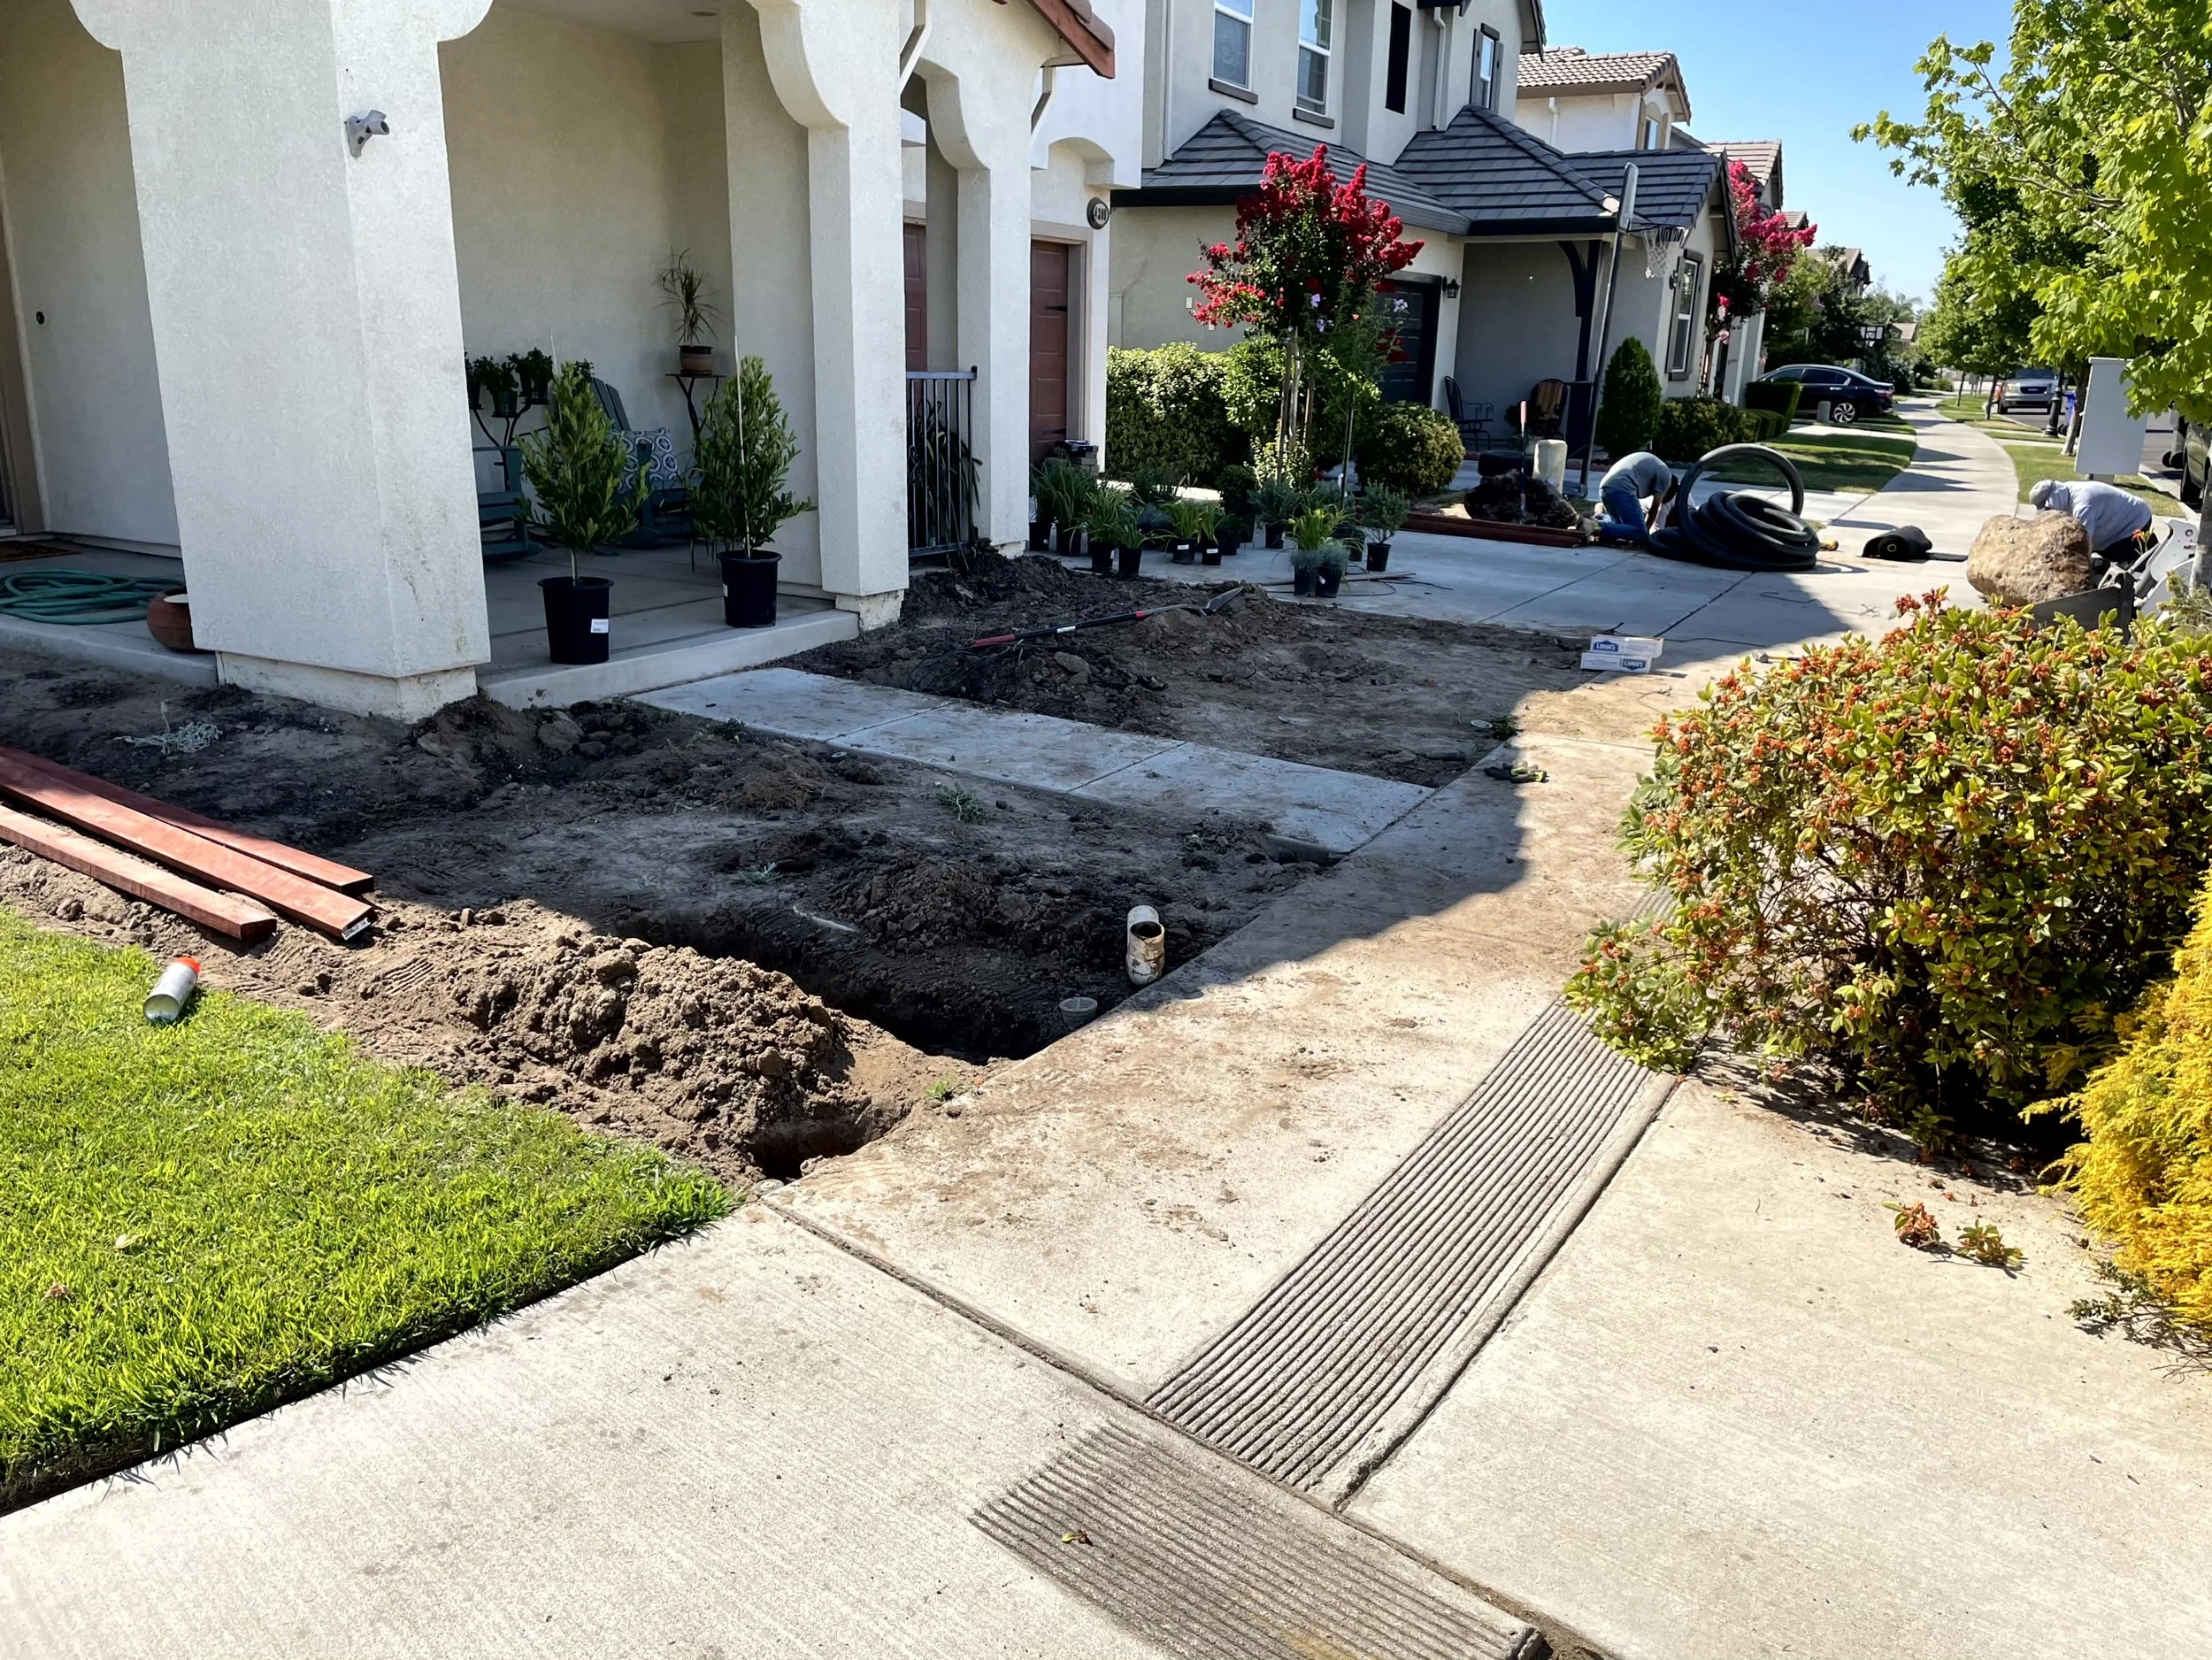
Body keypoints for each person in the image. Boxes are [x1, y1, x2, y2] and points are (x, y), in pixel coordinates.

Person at [2029, 477, 2156, 565]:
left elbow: (2083, 543)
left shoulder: (2083, 504)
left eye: (2047, 509)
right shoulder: (2066, 492)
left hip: (2133, 521)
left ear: (2053, 500)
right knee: (2106, 553)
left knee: (2126, 562)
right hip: (2118, 521)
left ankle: (2155, 553)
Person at [1597, 450, 1678, 543]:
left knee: (1622, 530)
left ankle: (1591, 527)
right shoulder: (1666, 476)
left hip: (1605, 487)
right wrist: (1645, 534)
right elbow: (1654, 510)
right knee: (1639, 531)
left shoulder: (1656, 467)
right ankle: (1595, 526)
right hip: (1623, 487)